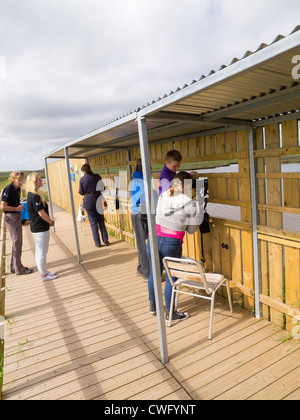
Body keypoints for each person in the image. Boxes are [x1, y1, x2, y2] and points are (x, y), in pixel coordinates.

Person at [147, 171, 200, 323]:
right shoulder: (190, 203)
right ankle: (171, 313)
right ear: (187, 186)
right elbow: (191, 231)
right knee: (172, 278)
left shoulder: (163, 196)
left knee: (154, 273)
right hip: (171, 243)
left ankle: (153, 306)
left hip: (153, 238)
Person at [0, 171, 33, 275]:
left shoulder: (17, 189)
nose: (21, 182)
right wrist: (15, 208)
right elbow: (3, 206)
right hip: (11, 218)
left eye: (22, 180)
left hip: (16, 217)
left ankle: (14, 266)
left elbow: (14, 202)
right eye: (19, 180)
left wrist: (20, 206)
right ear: (13, 179)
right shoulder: (8, 189)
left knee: (17, 242)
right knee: (17, 242)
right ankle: (19, 269)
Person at [26, 173, 57, 281]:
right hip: (39, 228)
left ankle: (43, 271)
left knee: (40, 251)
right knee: (42, 252)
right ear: (34, 182)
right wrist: (51, 222)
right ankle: (43, 275)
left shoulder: (33, 194)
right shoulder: (34, 195)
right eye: (39, 179)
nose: (41, 181)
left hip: (38, 227)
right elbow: (41, 213)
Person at [79, 163, 109, 248]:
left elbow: (81, 192)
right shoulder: (97, 176)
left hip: (88, 203)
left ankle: (97, 243)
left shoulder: (82, 179)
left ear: (83, 171)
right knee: (101, 222)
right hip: (98, 201)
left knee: (93, 224)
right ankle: (105, 240)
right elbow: (102, 188)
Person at [130, 160, 150, 282]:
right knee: (144, 245)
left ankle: (140, 268)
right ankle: (147, 274)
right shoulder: (143, 182)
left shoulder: (134, 180)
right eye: (150, 168)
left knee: (141, 242)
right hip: (141, 214)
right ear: (144, 169)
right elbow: (143, 201)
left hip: (135, 213)